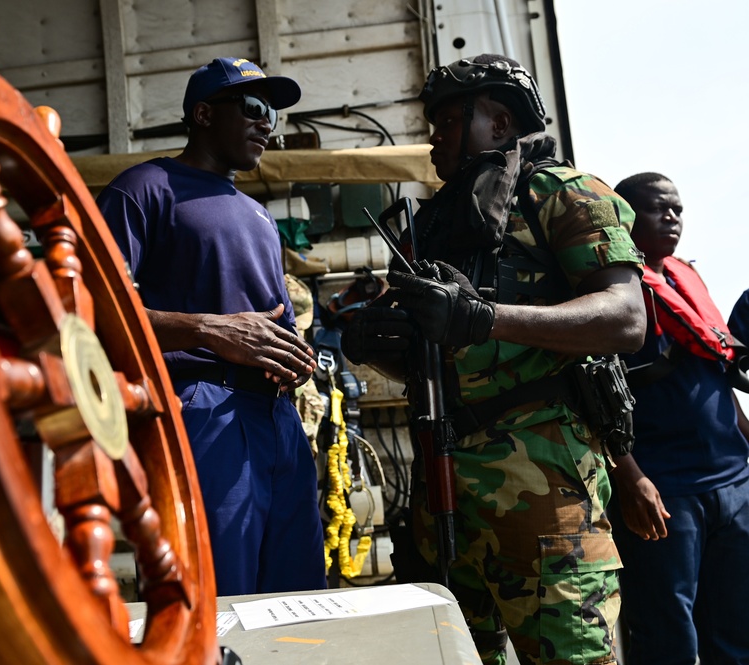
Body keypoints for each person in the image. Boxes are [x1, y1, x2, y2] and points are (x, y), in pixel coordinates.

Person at [342, 54, 646, 665]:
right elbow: (436, 359)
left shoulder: (563, 195)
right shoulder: (425, 228)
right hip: (443, 488)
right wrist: (378, 345)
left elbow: (626, 318)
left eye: (448, 121)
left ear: (500, 124)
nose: (433, 138)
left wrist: (484, 316)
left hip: (545, 485)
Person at [95, 57, 326, 597]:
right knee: (218, 601)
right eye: (253, 107)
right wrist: (207, 330)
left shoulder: (259, 216)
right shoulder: (145, 189)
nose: (267, 122)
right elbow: (90, 312)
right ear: (202, 114)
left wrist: (295, 359)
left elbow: (272, 325)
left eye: (273, 112)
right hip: (201, 414)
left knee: (300, 598)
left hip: (277, 424)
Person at [610, 172, 749, 665]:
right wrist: (631, 480)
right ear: (624, 218)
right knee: (668, 638)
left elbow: (715, 372)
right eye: (656, 208)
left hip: (733, 481)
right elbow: (589, 397)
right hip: (666, 490)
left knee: (736, 632)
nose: (671, 217)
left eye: (677, 209)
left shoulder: (686, 280)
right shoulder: (612, 293)